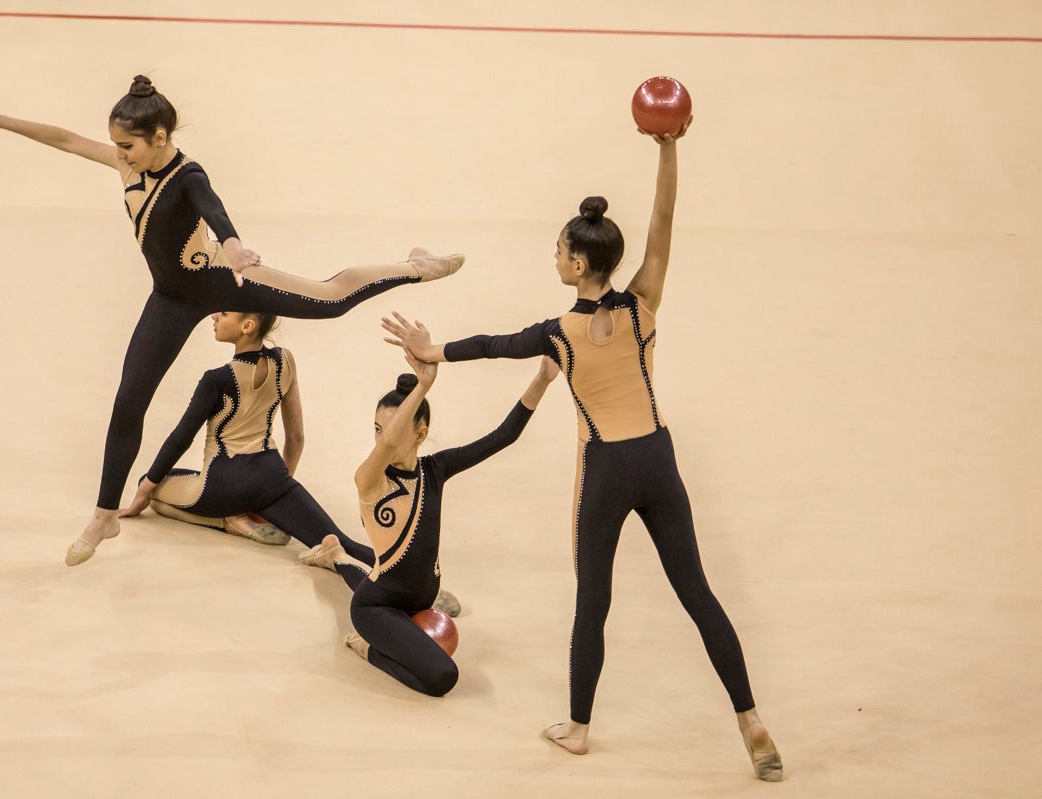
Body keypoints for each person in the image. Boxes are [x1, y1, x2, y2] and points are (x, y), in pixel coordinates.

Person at [381, 121, 784, 780]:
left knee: (592, 599)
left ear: (575, 263)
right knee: (700, 595)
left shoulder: (558, 333)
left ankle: (579, 726)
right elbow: (662, 220)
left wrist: (434, 351)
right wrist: (669, 148)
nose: (556, 256)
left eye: (560, 249)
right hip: (656, 457)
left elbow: (493, 343)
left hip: (606, 470)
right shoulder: (643, 303)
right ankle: (750, 718)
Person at [0, 76, 464, 564]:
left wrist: (237, 247)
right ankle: (104, 515)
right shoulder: (130, 164)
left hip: (223, 279)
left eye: (127, 147)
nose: (119, 155)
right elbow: (65, 139)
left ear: (159, 138)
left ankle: (415, 266)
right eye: (116, 146)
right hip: (170, 298)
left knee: (331, 299)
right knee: (129, 400)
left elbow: (214, 211)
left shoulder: (187, 176)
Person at [298, 353, 558, 696]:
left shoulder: (435, 470)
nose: (381, 439)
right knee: (441, 677)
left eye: (390, 429)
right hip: (378, 607)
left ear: (421, 433)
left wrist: (541, 379)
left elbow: (503, 436)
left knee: (374, 564)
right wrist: (422, 386)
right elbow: (390, 443)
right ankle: (367, 647)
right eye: (377, 429)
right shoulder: (371, 480)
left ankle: (336, 555)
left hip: (422, 598)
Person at [115, 310, 377, 570]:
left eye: (225, 313)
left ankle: (227, 521)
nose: (214, 316)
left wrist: (142, 493)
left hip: (222, 486)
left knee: (153, 492)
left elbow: (180, 439)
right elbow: (296, 437)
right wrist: (281, 486)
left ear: (247, 326)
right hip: (272, 476)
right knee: (340, 543)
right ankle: (410, 580)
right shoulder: (285, 360)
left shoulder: (216, 379)